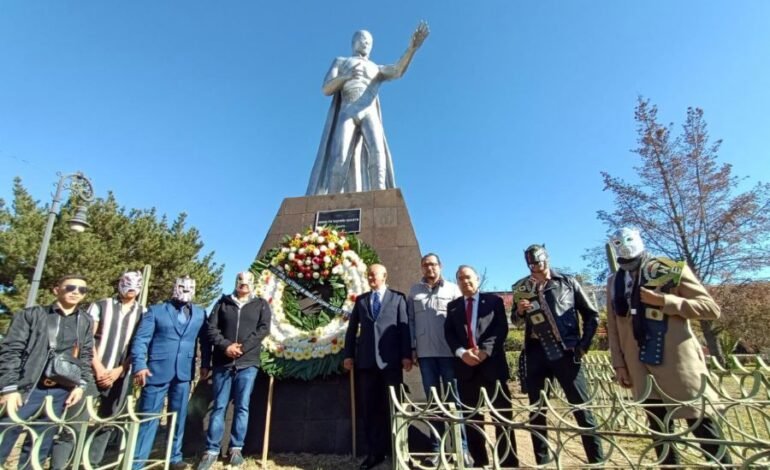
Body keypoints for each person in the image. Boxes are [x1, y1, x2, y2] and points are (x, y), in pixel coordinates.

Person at [606, 227, 732, 465]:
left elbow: (710, 309)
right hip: (639, 366)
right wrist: (619, 364)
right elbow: (614, 326)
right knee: (660, 433)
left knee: (702, 426)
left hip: (676, 361)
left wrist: (666, 301)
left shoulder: (669, 269)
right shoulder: (614, 282)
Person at [305, 22, 429, 195]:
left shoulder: (376, 68)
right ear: (354, 41)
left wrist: (412, 49)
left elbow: (397, 70)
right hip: (347, 110)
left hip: (368, 110)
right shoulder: (341, 62)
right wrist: (345, 77)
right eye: (363, 39)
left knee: (377, 152)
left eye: (369, 42)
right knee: (339, 155)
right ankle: (332, 200)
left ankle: (380, 197)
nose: (366, 43)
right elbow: (326, 88)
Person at [513, 244, 604, 465]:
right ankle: (542, 463)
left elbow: (592, 315)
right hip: (536, 352)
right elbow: (515, 321)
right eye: (531, 263)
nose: (536, 267)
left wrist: (583, 345)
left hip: (565, 351)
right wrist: (519, 311)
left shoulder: (568, 282)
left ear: (547, 259)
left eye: (539, 262)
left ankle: (596, 462)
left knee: (582, 409)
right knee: (537, 412)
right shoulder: (521, 287)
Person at [51, 271, 146, 468]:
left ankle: (91, 463)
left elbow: (139, 345)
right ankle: (61, 464)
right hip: (90, 372)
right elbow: (86, 338)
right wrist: (98, 367)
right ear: (120, 283)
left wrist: (121, 369)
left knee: (108, 421)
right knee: (75, 421)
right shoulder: (101, 305)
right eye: (127, 283)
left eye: (136, 284)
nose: (131, 288)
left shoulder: (143, 312)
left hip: (120, 374)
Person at [0, 275, 94, 470]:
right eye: (70, 287)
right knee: (5, 436)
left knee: (39, 445)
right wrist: (9, 388)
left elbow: (84, 354)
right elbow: (11, 351)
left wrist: (81, 384)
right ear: (56, 290)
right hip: (27, 388)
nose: (76, 292)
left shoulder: (85, 320)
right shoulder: (32, 315)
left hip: (60, 392)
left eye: (82, 290)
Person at [131, 276, 210, 469]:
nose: (185, 290)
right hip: (156, 371)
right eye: (181, 286)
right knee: (148, 417)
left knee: (178, 416)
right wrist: (140, 364)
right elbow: (141, 340)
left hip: (183, 374)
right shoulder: (156, 311)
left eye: (190, 287)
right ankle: (138, 461)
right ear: (174, 287)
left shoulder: (200, 314)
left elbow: (206, 343)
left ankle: (174, 456)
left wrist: (206, 364)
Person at [444, 265, 518, 468]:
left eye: (468, 277)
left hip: (492, 366)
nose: (464, 281)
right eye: (460, 278)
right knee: (472, 417)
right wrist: (461, 353)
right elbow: (449, 334)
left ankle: (507, 461)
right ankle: (479, 461)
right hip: (466, 368)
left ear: (477, 279)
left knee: (502, 416)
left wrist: (485, 351)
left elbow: (500, 328)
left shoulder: (494, 301)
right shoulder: (453, 307)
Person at [197, 271, 271, 470]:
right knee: (219, 407)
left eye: (247, 283)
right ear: (236, 283)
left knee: (242, 407)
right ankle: (211, 450)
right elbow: (211, 329)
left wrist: (243, 347)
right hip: (223, 362)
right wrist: (226, 346)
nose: (243, 285)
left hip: (247, 363)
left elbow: (263, 329)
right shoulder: (222, 303)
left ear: (252, 284)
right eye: (240, 282)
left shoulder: (261, 304)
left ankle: (236, 448)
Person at [343, 264, 412, 470]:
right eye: (369, 275)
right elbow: (352, 329)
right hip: (366, 363)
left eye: (374, 274)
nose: (371, 278)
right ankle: (375, 453)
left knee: (393, 407)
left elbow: (404, 328)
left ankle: (397, 450)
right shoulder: (362, 300)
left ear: (385, 275)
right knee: (370, 409)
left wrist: (406, 355)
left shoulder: (398, 298)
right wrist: (348, 355)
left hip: (391, 363)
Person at [406, 253, 469, 466]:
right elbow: (411, 322)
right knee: (433, 403)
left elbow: (462, 321)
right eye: (425, 265)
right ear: (421, 268)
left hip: (449, 354)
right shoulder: (414, 291)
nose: (429, 268)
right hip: (425, 355)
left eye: (433, 264)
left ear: (440, 266)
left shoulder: (452, 289)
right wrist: (413, 348)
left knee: (454, 400)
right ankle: (436, 449)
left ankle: (463, 448)